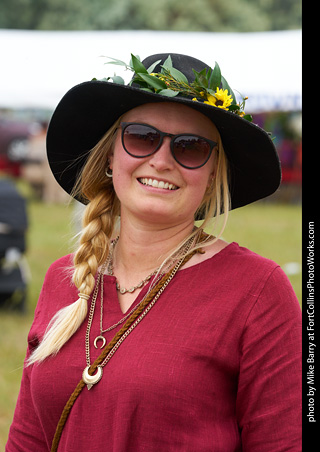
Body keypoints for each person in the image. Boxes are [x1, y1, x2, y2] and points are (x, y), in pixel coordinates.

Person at [6, 53, 302, 452]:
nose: (161, 161)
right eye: (142, 137)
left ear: (213, 171)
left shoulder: (258, 291)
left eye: (191, 147)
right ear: (112, 154)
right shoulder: (65, 277)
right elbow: (29, 440)